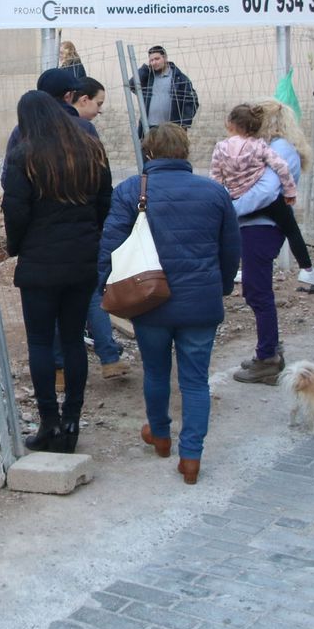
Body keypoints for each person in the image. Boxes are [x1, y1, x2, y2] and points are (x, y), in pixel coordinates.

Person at [97, 123, 239, 485]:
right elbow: (230, 250)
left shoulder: (132, 190)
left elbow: (110, 245)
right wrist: (220, 288)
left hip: (150, 300)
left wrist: (105, 287)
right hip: (201, 302)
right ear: (186, 152)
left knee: (157, 372)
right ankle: (191, 456)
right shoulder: (215, 192)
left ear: (149, 154)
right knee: (195, 382)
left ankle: (160, 435)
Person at [2, 90, 113, 453]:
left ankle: (49, 422)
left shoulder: (24, 155)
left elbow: (16, 212)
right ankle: (71, 422)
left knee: (39, 342)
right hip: (82, 258)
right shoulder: (90, 150)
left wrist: (17, 247)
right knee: (73, 340)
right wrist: (90, 236)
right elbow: (104, 201)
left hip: (39, 261)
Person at [228, 100, 314, 384]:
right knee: (256, 290)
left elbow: (265, 192)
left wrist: (229, 208)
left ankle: (267, 357)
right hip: (256, 226)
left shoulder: (280, 151)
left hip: (262, 227)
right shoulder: (275, 149)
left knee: (258, 292)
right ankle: (270, 350)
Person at [69, 77, 125, 379]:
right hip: (87, 228)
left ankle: (61, 368)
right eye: (99, 103)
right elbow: (104, 184)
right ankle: (109, 356)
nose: (100, 111)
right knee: (92, 292)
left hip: (50, 236)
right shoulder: (86, 132)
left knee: (56, 300)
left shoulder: (34, 132)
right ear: (80, 99)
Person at [131, 45, 200, 135]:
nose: (154, 63)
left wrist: (183, 124)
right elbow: (132, 84)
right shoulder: (148, 78)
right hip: (149, 128)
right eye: (151, 60)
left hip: (170, 130)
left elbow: (192, 101)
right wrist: (145, 69)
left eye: (157, 59)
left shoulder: (179, 78)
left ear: (165, 58)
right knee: (146, 149)